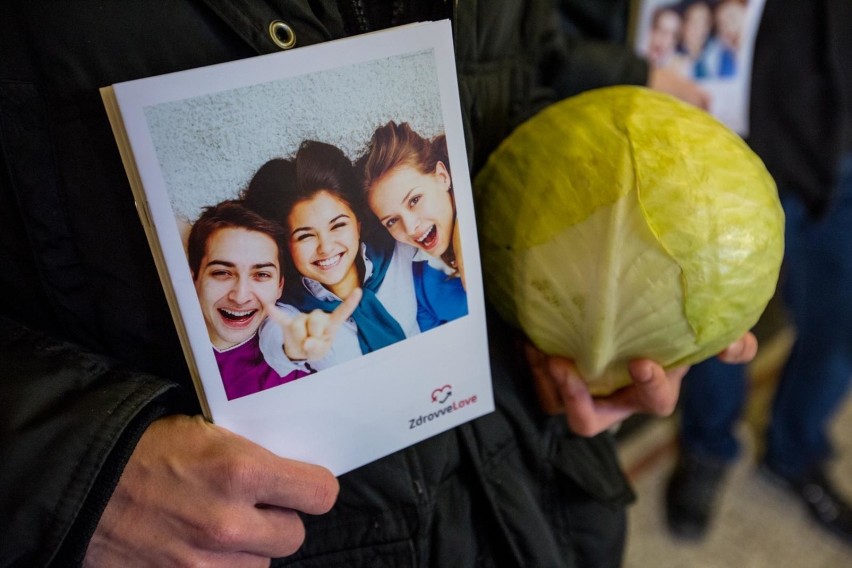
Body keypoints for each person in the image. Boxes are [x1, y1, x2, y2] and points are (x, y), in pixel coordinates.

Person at [0, 2, 757, 566]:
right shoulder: (287, 316)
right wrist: (73, 471)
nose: (331, 248)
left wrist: (605, 298)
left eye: (344, 228)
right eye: (305, 237)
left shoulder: (408, 272)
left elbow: (524, 71)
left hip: (535, 504)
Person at [664, 0, 852, 545]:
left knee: (839, 325)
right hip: (738, 122)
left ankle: (795, 450)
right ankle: (707, 445)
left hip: (844, 136)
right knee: (720, 320)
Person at [243, 139, 420, 364]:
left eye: (338, 225)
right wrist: (296, 347)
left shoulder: (394, 250)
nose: (325, 247)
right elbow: (275, 344)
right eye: (305, 235)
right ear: (287, 245)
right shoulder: (288, 311)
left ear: (358, 225)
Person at [185, 199, 359, 400]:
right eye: (222, 273)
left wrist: (295, 351)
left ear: (279, 287)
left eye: (261, 275)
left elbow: (279, 341)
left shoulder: (291, 364)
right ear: (194, 278)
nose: (241, 297)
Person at [360, 120, 469, 330]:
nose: (410, 229)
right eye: (391, 221)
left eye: (414, 200)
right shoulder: (419, 284)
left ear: (442, 177)